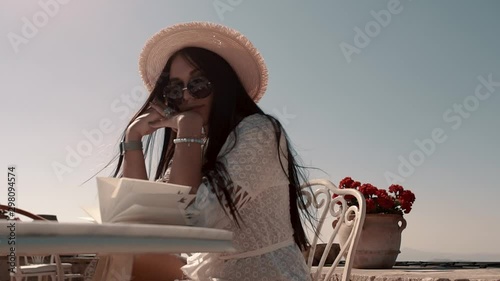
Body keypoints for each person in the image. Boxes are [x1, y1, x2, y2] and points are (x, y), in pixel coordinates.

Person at [107, 21, 315, 281]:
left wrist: (189, 129)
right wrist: (133, 139)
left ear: (223, 84)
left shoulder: (259, 132)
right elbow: (137, 217)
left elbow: (191, 227)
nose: (186, 96)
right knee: (128, 264)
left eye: (198, 84)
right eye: (174, 88)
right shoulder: (196, 147)